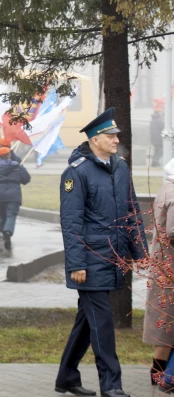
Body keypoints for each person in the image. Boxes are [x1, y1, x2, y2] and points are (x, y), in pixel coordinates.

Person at [55, 108, 147, 397]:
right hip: (90, 261)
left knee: (88, 321)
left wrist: (140, 250)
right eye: (111, 135)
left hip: (113, 256)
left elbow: (131, 210)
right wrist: (77, 264)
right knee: (103, 325)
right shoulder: (77, 172)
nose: (116, 139)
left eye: (116, 135)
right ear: (95, 139)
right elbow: (71, 223)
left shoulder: (120, 167)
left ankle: (66, 377)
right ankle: (112, 384)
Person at [144, 157, 174, 387]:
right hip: (171, 267)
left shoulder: (166, 188)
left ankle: (158, 376)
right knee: (168, 324)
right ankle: (162, 378)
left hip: (163, 264)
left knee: (165, 325)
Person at [0, 147, 31, 250]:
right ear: (9, 155)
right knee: (11, 215)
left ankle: (4, 231)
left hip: (0, 195)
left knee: (2, 215)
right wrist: (22, 169)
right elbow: (26, 179)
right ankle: (8, 232)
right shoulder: (17, 166)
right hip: (14, 195)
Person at [149, 101, 164, 167]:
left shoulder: (153, 120)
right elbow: (163, 128)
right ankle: (155, 162)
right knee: (160, 151)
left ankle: (154, 162)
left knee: (157, 150)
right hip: (159, 139)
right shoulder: (159, 120)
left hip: (154, 139)